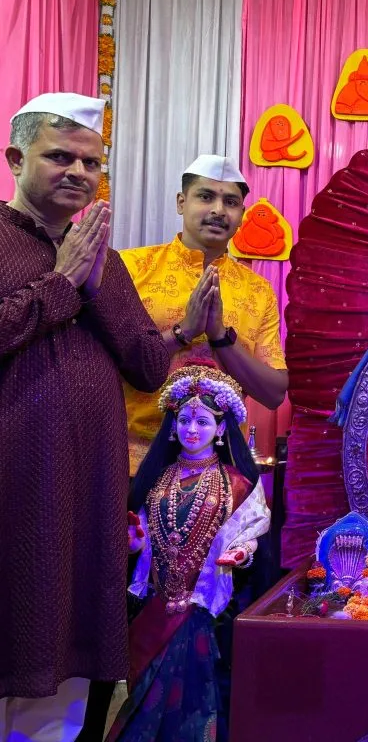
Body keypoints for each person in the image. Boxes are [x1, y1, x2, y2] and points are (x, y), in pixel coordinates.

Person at [0, 93, 170, 739]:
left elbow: (150, 368)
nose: (77, 171)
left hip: (88, 494)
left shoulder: (103, 258)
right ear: (17, 158)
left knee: (73, 665)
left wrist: (94, 284)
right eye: (59, 156)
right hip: (16, 487)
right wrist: (60, 285)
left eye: (91, 162)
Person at [106, 364, 270, 741]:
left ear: (222, 429)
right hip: (153, 608)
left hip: (201, 613)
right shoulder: (156, 479)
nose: (191, 430)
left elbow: (251, 533)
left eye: (203, 422)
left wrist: (240, 554)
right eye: (184, 420)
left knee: (195, 705)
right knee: (141, 705)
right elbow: (145, 538)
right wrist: (135, 545)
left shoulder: (238, 484)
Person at [120, 154, 288, 476]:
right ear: (181, 202)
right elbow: (109, 366)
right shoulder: (130, 269)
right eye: (205, 196)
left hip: (221, 474)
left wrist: (220, 338)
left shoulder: (258, 290)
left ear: (241, 214)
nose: (218, 210)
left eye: (231, 202)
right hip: (131, 464)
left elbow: (273, 393)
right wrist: (183, 332)